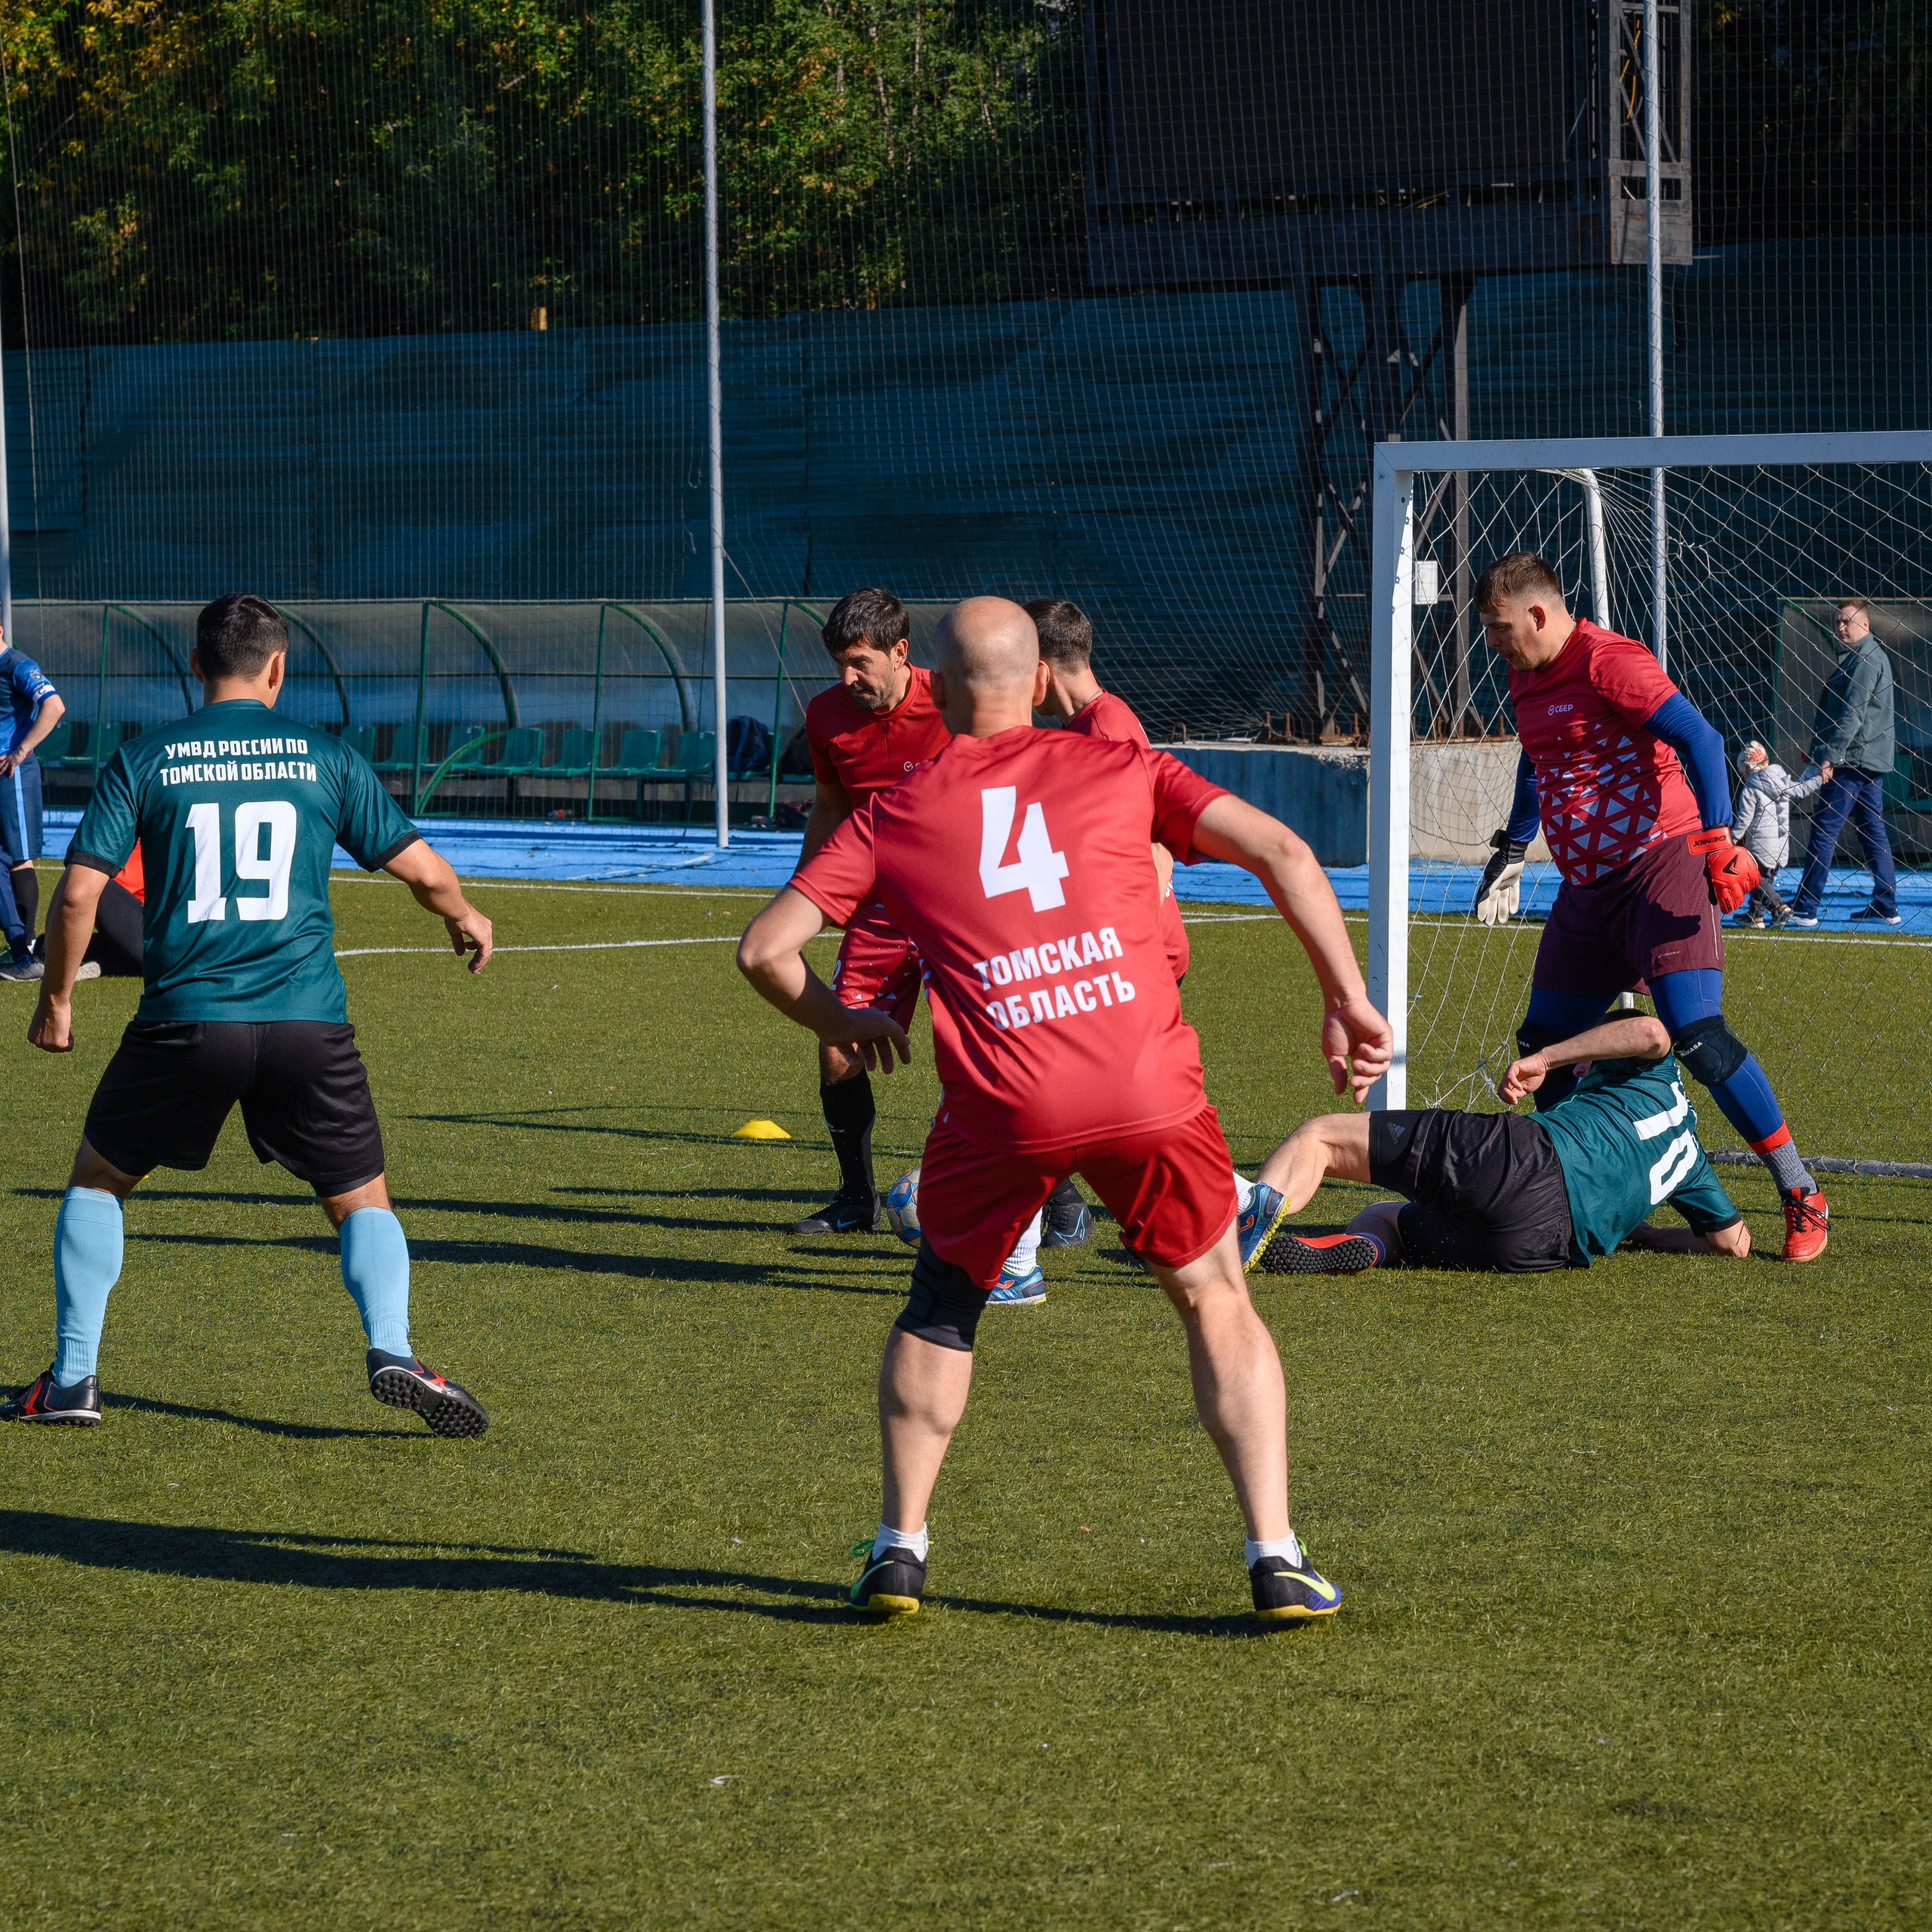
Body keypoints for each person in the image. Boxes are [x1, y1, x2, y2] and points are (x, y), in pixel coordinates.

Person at [737, 595, 1392, 1625]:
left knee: (942, 1308)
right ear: (1042, 682)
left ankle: (898, 1552)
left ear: (938, 691)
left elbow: (763, 951)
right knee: (1215, 1296)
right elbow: (1287, 854)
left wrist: (850, 1017)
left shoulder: (893, 811)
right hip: (1145, 1084)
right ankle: (1276, 1556)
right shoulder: (1127, 766)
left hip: (1006, 1103)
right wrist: (1347, 998)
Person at [2, 593, 494, 1432]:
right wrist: (463, 914)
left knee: (99, 1181)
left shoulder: (147, 758)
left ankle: (75, 1381)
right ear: (277, 667)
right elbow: (425, 871)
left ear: (195, 668)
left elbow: (79, 895)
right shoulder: (323, 756)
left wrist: (57, 1003)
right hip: (308, 1023)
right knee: (361, 1199)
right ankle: (395, 1350)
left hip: (187, 1022)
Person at [1469, 552, 1827, 1263]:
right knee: (1541, 1045)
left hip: (1661, 865)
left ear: (1539, 614)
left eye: (1501, 629)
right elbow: (1538, 759)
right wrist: (1513, 843)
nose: (1496, 644)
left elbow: (1702, 738)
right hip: (1588, 888)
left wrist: (1720, 839)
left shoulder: (1609, 662)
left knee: (1697, 1034)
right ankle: (1585, 1183)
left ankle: (1799, 1189)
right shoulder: (1524, 674)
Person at [1244, 1012, 1749, 1275]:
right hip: (1536, 1248)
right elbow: (1733, 1245)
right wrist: (1644, 1235)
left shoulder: (1655, 1072)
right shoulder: (1693, 1166)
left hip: (1523, 1161)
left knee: (1321, 1138)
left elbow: (1649, 1030)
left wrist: (1548, 1059)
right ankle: (1372, 1247)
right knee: (1384, 1218)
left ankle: (1236, 1234)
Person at [788, 588, 953, 1239]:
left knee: (998, 1052)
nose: (846, 678)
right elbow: (829, 804)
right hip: (881, 910)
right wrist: (808, 889)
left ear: (901, 652)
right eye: (839, 664)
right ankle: (855, 1201)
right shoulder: (827, 715)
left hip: (960, 908)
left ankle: (1058, 1199)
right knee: (838, 1045)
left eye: (859, 662)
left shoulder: (954, 699)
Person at [1788, 598, 1900, 928]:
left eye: (1846, 621)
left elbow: (1852, 716)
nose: (1840, 627)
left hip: (1852, 762)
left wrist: (1829, 757)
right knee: (1872, 832)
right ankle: (1886, 905)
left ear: (1864, 624)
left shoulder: (1865, 660)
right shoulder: (1864, 657)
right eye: (1837, 621)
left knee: (1823, 831)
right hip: (1868, 761)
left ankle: (1805, 909)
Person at [0, 627, 66, 980]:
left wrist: (21, 751)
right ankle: (16, 946)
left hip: (12, 776)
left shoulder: (18, 665)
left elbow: (54, 706)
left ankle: (26, 955)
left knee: (19, 859)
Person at [1730, 740, 1829, 927]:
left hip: (1759, 844)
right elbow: (1802, 789)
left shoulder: (1751, 787)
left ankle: (1779, 907)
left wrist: (1732, 840)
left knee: (1754, 878)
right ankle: (1755, 915)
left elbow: (1744, 820)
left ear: (1747, 767)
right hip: (1781, 844)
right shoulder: (1781, 779)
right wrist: (1817, 777)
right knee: (1765, 879)